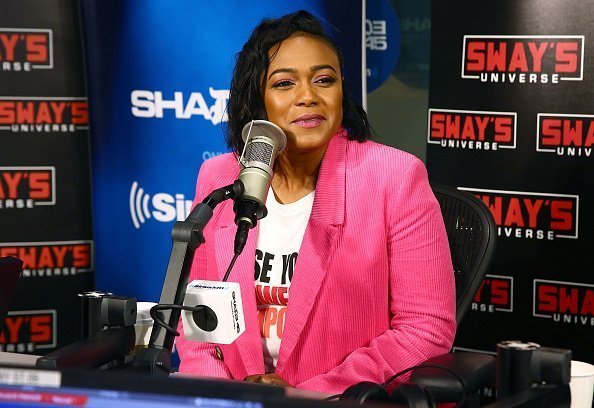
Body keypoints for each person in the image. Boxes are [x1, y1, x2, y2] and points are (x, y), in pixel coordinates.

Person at [176, 10, 456, 395]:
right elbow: (198, 329)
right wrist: (226, 397)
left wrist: (307, 395)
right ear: (257, 100)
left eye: (324, 80)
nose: (308, 96)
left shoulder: (395, 177)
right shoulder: (221, 178)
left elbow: (424, 330)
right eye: (285, 83)